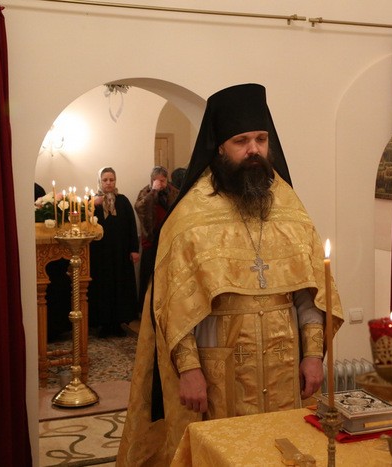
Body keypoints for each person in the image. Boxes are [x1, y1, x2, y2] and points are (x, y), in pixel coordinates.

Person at [117, 83, 343, 466]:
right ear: (220, 147)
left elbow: (309, 293)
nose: (254, 149)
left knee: (285, 454)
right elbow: (172, 304)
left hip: (284, 366)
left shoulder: (289, 206)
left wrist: (312, 355)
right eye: (241, 141)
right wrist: (189, 370)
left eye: (261, 139)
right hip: (219, 374)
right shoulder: (190, 215)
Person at [88, 167, 141, 338]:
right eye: (105, 180)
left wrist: (134, 249)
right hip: (100, 254)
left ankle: (118, 323)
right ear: (100, 181)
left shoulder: (123, 201)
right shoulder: (92, 202)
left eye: (111, 180)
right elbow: (85, 224)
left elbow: (132, 226)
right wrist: (91, 205)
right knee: (103, 287)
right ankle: (103, 323)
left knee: (120, 286)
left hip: (120, 253)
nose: (109, 183)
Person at [134, 166, 179, 312]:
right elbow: (139, 207)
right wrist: (153, 192)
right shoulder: (145, 192)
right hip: (151, 240)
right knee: (148, 275)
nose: (160, 183)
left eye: (163, 180)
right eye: (157, 180)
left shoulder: (173, 192)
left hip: (169, 239)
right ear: (152, 180)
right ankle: (144, 309)